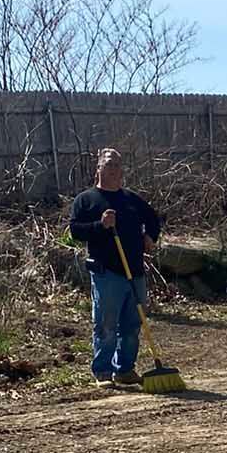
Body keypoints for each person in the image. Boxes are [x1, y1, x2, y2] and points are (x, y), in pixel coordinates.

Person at [69, 149, 162, 387]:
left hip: (135, 271)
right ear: (98, 168)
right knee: (106, 324)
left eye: (118, 165)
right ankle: (103, 371)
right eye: (109, 165)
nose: (114, 170)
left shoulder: (131, 199)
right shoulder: (87, 199)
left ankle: (125, 370)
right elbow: (76, 231)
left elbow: (153, 219)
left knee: (132, 324)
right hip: (107, 272)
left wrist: (150, 236)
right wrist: (101, 225)